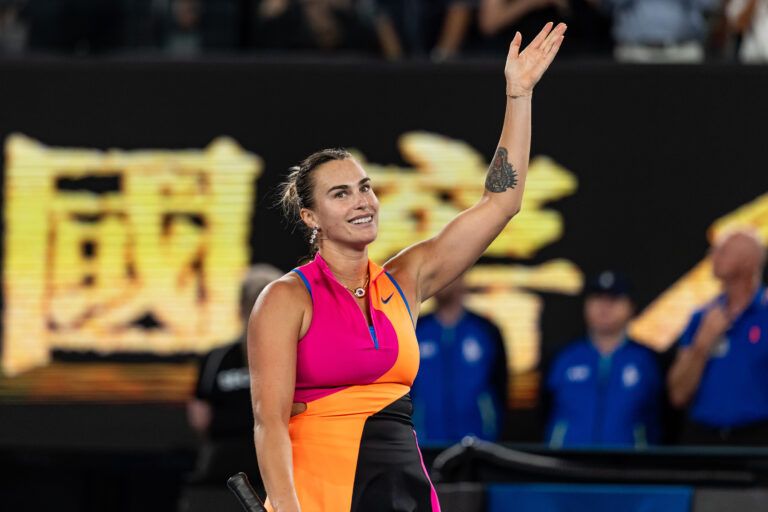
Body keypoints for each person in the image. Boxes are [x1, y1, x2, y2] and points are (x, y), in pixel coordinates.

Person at [247, 21, 566, 512]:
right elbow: (269, 422)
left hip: (403, 490)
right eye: (340, 194)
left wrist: (518, 95)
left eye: (365, 187)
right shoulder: (286, 298)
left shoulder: (404, 279)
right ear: (310, 217)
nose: (362, 201)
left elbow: (501, 203)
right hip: (322, 494)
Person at [668, 229, 768, 445]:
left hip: (757, 438)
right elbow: (678, 394)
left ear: (749, 261)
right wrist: (701, 345)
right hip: (704, 437)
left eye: (723, 251)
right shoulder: (701, 318)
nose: (712, 256)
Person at [187, 263, 283, 483]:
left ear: (239, 308)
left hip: (224, 465)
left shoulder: (216, 358)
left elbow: (200, 418)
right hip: (278, 464)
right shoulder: (297, 354)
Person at [544, 271, 663, 448]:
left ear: (631, 307)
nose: (604, 307)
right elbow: (543, 410)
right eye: (597, 298)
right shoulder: (563, 356)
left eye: (614, 299)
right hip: (567, 461)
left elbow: (664, 415)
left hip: (628, 463)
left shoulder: (647, 360)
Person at [411, 274, 508, 445]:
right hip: (423, 445)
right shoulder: (414, 329)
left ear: (462, 276)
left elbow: (501, 387)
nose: (439, 280)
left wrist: (493, 431)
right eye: (434, 274)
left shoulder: (486, 330)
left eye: (445, 272)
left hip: (478, 444)